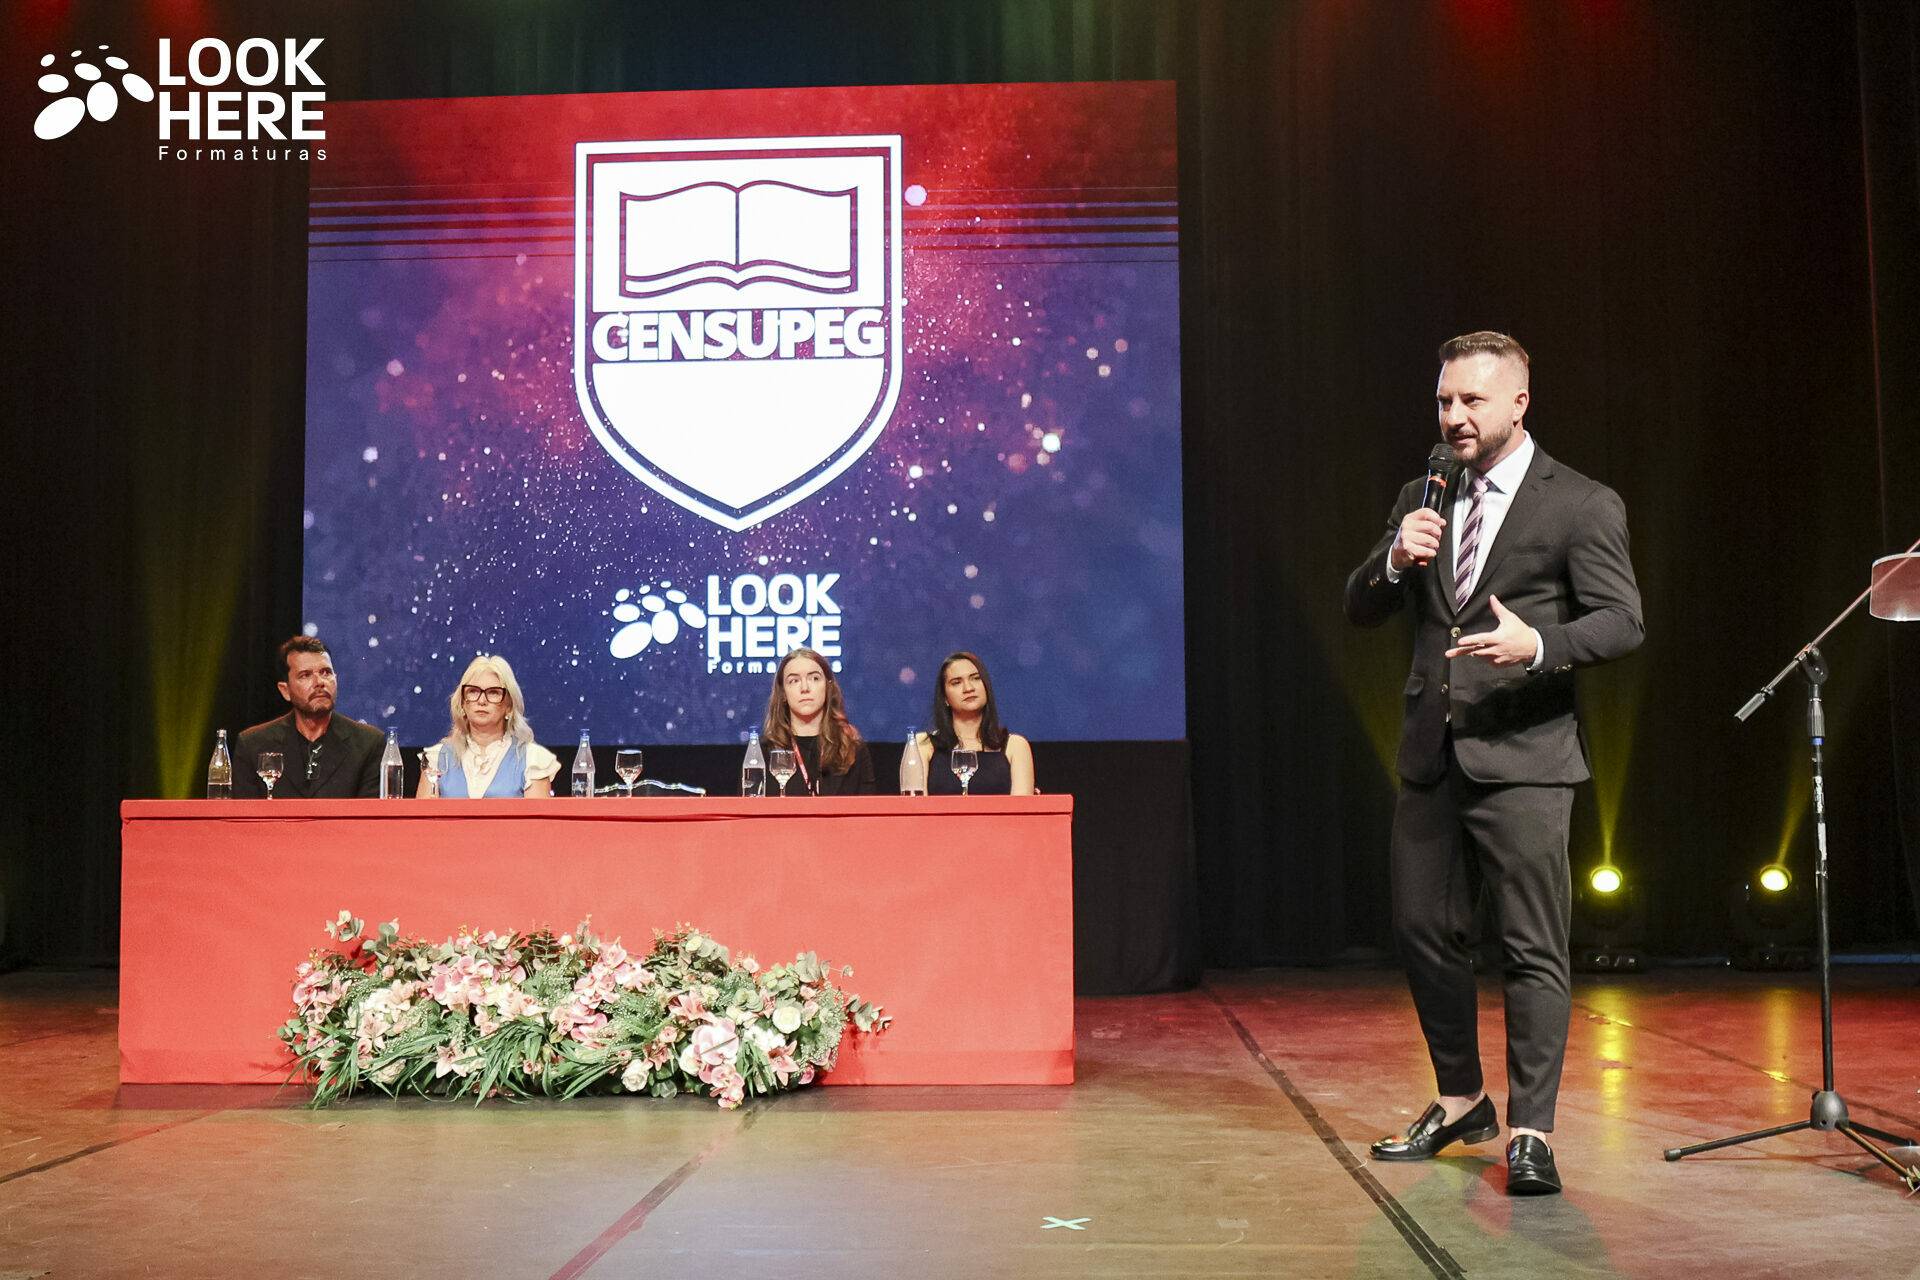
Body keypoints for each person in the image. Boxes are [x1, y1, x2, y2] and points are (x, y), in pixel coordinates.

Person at [1342, 331, 1643, 1196]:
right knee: (1421, 932)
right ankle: (1461, 1100)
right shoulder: (1423, 494)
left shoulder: (1580, 502)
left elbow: (1623, 621)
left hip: (1526, 757)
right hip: (1432, 753)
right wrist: (1394, 558)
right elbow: (1360, 605)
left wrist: (1539, 644)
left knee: (1530, 946)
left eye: (1472, 400)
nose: (1454, 417)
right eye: (1445, 401)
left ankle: (1532, 1131)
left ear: (1519, 402)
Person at [233, 637, 385, 799]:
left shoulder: (369, 743)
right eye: (305, 675)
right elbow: (243, 812)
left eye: (326, 672)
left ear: (336, 679)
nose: (319, 682)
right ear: (285, 690)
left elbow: (370, 813)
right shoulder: (253, 744)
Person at [419, 654, 560, 798]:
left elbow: (536, 814)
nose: (482, 701)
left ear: (509, 706)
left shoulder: (533, 760)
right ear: (462, 703)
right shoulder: (436, 759)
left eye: (493, 693)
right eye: (473, 691)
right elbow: (423, 813)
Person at [916, 651, 1035, 795]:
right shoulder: (923, 745)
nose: (968, 688)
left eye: (976, 678)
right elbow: (915, 807)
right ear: (945, 698)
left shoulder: (1015, 746)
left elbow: (1022, 807)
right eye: (957, 682)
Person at [761, 648, 876, 795]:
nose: (805, 688)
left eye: (814, 678)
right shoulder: (764, 751)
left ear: (828, 686)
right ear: (783, 692)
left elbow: (869, 807)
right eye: (794, 681)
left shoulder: (854, 749)